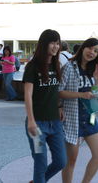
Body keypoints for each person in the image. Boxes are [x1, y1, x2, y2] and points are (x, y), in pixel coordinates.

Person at [59, 38, 98, 183]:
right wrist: (80, 95)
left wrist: (97, 80)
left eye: (96, 51)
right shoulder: (69, 66)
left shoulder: (94, 69)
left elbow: (94, 93)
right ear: (83, 48)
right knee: (71, 161)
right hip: (72, 117)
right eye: (90, 48)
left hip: (89, 117)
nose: (92, 52)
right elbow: (59, 91)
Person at [23, 29, 66, 183]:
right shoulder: (32, 67)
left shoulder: (57, 65)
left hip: (55, 123)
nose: (55, 46)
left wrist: (60, 107)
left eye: (57, 43)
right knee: (40, 163)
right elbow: (27, 95)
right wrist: (31, 121)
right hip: (37, 125)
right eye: (52, 43)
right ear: (44, 44)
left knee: (61, 161)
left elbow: (55, 91)